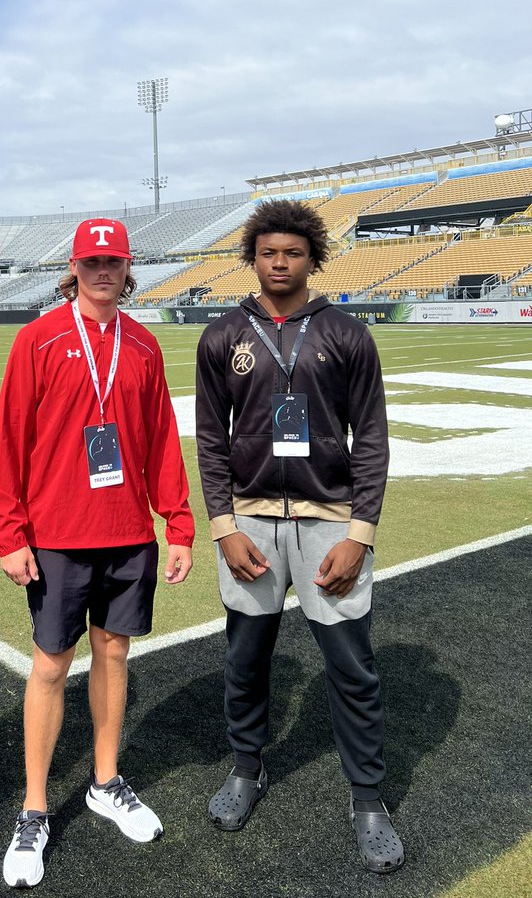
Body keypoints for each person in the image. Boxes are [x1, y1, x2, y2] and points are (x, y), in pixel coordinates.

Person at [194, 198, 404, 874]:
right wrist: (223, 529)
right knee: (246, 660)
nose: (279, 262)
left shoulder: (347, 334)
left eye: (292, 252)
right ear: (252, 260)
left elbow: (370, 438)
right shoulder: (223, 335)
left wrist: (360, 533)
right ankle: (247, 769)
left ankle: (368, 801)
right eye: (267, 252)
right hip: (249, 524)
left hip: (329, 523)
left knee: (351, 666)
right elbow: (210, 441)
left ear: (313, 259)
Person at [0, 218, 195, 888]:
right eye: (92, 260)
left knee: (114, 652)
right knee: (50, 667)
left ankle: (106, 782)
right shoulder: (39, 339)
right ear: (74, 267)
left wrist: (180, 524)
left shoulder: (141, 345)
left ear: (128, 267)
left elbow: (162, 437)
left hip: (129, 531)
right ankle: (35, 809)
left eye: (114, 261)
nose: (103, 270)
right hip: (57, 537)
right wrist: (10, 533)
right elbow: (8, 442)